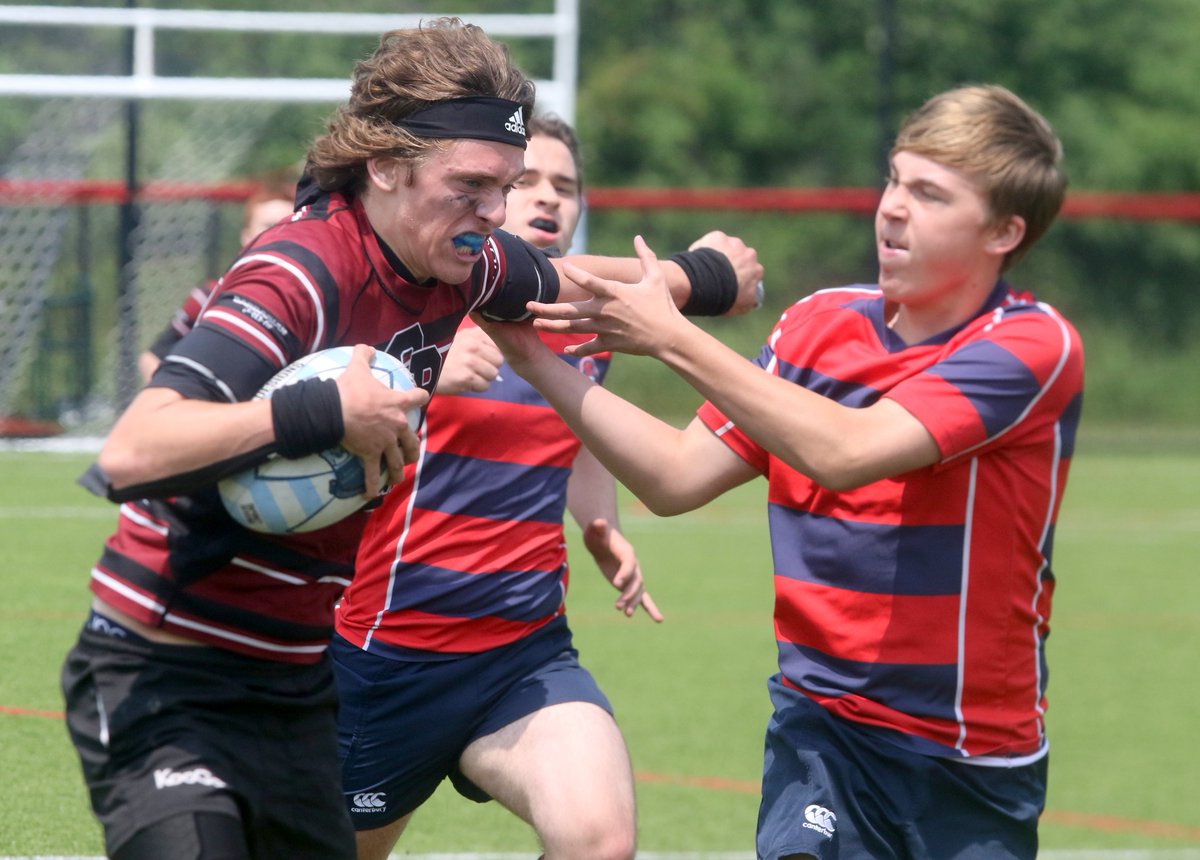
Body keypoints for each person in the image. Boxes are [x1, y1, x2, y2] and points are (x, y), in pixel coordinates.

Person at [59, 18, 762, 860]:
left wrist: (703, 278)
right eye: (472, 187)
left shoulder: (459, 260)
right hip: (168, 673)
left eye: (506, 188)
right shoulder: (298, 273)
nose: (496, 214)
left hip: (294, 683)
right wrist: (322, 412)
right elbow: (133, 451)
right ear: (385, 166)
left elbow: (574, 288)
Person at [484, 84, 1084, 859]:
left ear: (1004, 231)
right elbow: (671, 476)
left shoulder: (1031, 347)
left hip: (969, 760)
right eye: (895, 180)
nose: (894, 208)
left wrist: (670, 335)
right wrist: (531, 355)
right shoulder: (818, 325)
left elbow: (845, 451)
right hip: (823, 735)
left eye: (930, 194)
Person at [334, 113, 660, 860]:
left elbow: (583, 432)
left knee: (598, 843)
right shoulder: (429, 293)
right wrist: (412, 368)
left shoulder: (583, 315)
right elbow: (319, 389)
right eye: (522, 184)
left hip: (524, 651)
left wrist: (599, 523)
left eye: (564, 186)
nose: (546, 199)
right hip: (391, 655)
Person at [137, 176, 297, 382]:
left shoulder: (315, 303)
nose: (276, 236)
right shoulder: (209, 297)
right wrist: (186, 405)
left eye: (287, 227)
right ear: (246, 235)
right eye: (268, 226)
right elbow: (151, 359)